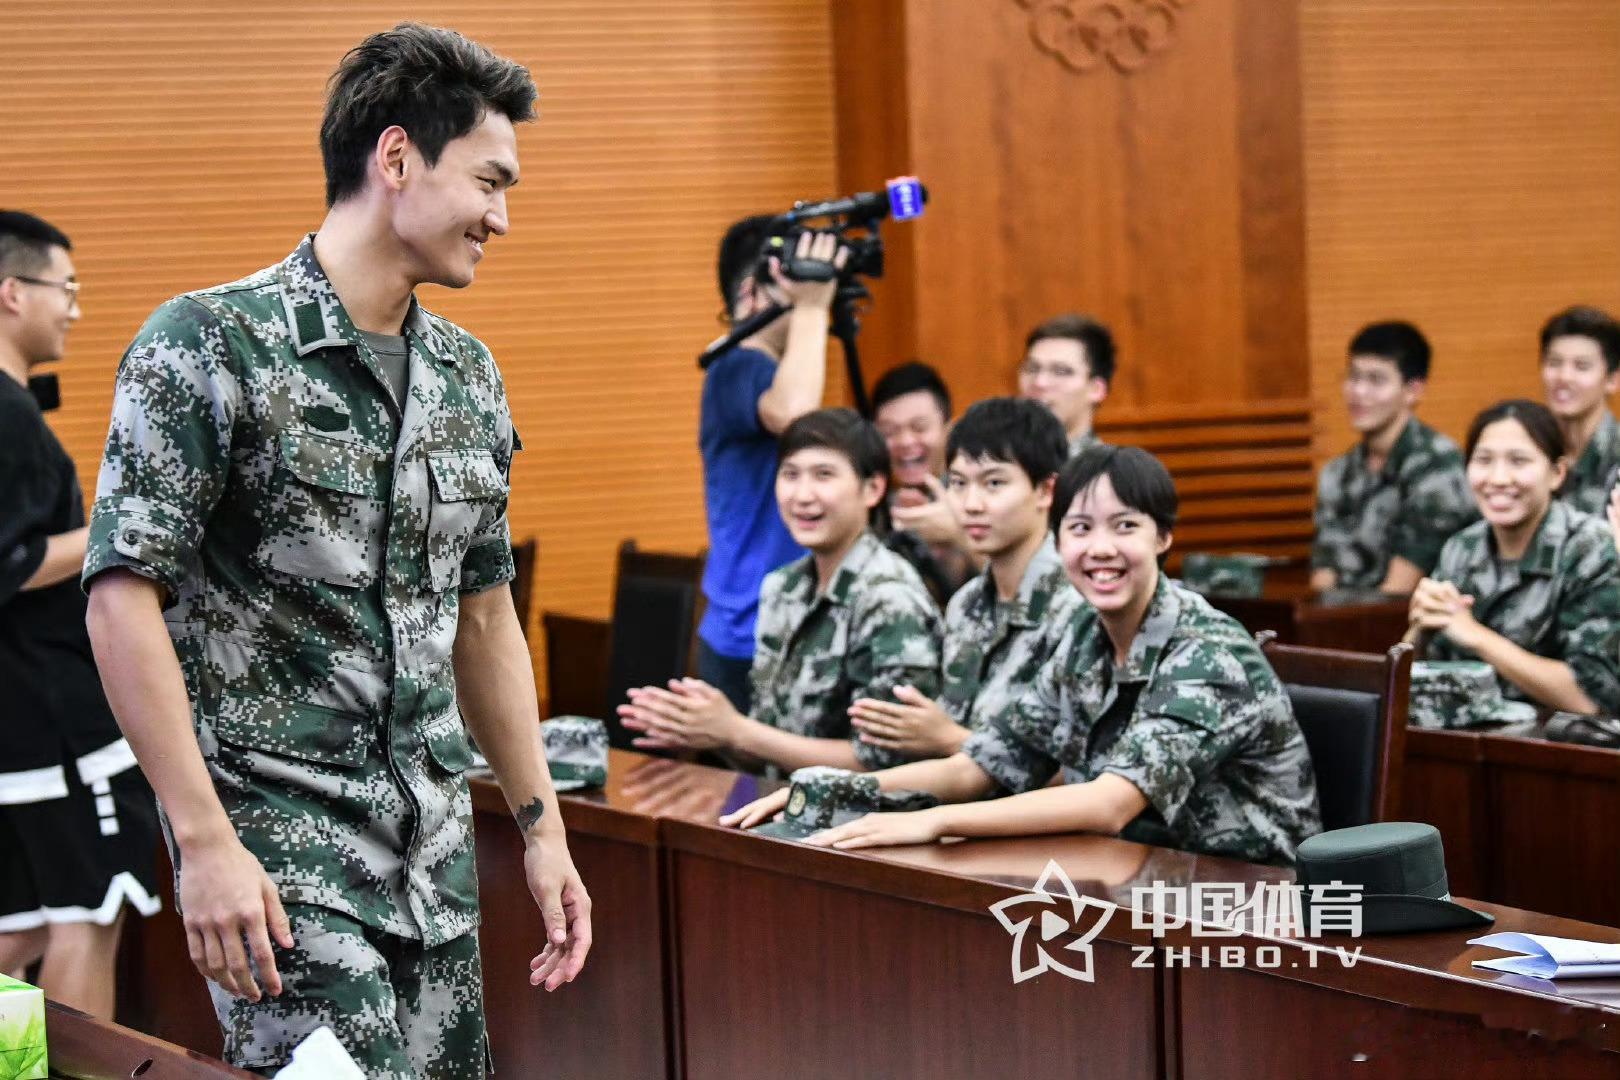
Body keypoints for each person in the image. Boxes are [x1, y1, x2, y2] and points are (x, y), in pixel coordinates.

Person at [81, 25, 590, 1076]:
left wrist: (542, 828)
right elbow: (121, 597)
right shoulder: (208, 343)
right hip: (278, 855)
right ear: (396, 158)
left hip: (434, 861)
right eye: (489, 181)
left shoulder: (468, 375)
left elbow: (484, 615)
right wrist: (203, 842)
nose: (501, 217)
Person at [725, 446, 1322, 865]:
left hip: (1251, 899)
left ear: (1163, 537)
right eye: (1080, 529)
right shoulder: (1084, 636)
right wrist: (837, 790)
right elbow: (982, 765)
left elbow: (1109, 803)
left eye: (1124, 527)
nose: (1101, 549)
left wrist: (932, 820)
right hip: (1135, 876)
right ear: (1058, 539)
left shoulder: (1207, 649)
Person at [0, 211, 160, 1018]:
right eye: (66, 289)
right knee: (89, 916)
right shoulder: (7, 415)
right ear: (12, 293)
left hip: (19, 722)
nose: (75, 308)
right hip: (54, 723)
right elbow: (13, 561)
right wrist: (119, 527)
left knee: (19, 932)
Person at [619, 408, 941, 775]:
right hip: (778, 804)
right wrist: (706, 731)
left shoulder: (890, 599)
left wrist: (737, 731)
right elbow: (769, 750)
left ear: (873, 489)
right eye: (790, 475)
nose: (802, 495)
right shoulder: (781, 588)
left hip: (861, 811)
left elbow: (885, 767)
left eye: (823, 475)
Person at [849, 397, 1080, 760]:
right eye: (958, 483)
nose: (971, 504)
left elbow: (1087, 772)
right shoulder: (966, 604)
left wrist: (950, 739)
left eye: (994, 483)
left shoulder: (1079, 606)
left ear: (1045, 490)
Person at [697, 217, 848, 713]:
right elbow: (796, 416)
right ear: (752, 292)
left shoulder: (755, 369)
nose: (812, 290)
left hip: (761, 625)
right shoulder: (738, 364)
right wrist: (812, 308)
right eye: (794, 278)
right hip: (754, 631)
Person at [1408, 400, 1620, 716]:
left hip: (1558, 741)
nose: (1498, 478)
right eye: (1484, 460)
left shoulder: (1591, 549)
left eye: (1518, 461)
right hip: (1470, 737)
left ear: (1557, 473)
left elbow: (1591, 697)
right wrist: (1419, 630)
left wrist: (1476, 636)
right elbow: (1424, 681)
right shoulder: (1461, 548)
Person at [1311, 321, 1475, 593]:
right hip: (1342, 614)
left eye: (1376, 380)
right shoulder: (1337, 472)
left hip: (1414, 614)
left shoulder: (1438, 467)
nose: (1359, 392)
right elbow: (1323, 576)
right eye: (1353, 377)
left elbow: (1400, 590)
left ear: (1413, 391)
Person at [871, 360, 977, 601]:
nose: (905, 441)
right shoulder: (867, 507)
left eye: (919, 427)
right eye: (889, 432)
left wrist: (959, 536)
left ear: (949, 430)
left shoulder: (980, 499)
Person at [1540, 305, 1620, 516]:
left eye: (1582, 366)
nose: (1564, 377)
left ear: (1612, 380)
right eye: (1554, 363)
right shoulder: (1532, 451)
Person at [1016, 313, 1115, 458]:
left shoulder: (1107, 470)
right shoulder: (998, 462)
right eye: (1032, 369)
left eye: (1060, 371)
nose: (1039, 382)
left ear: (1096, 389)